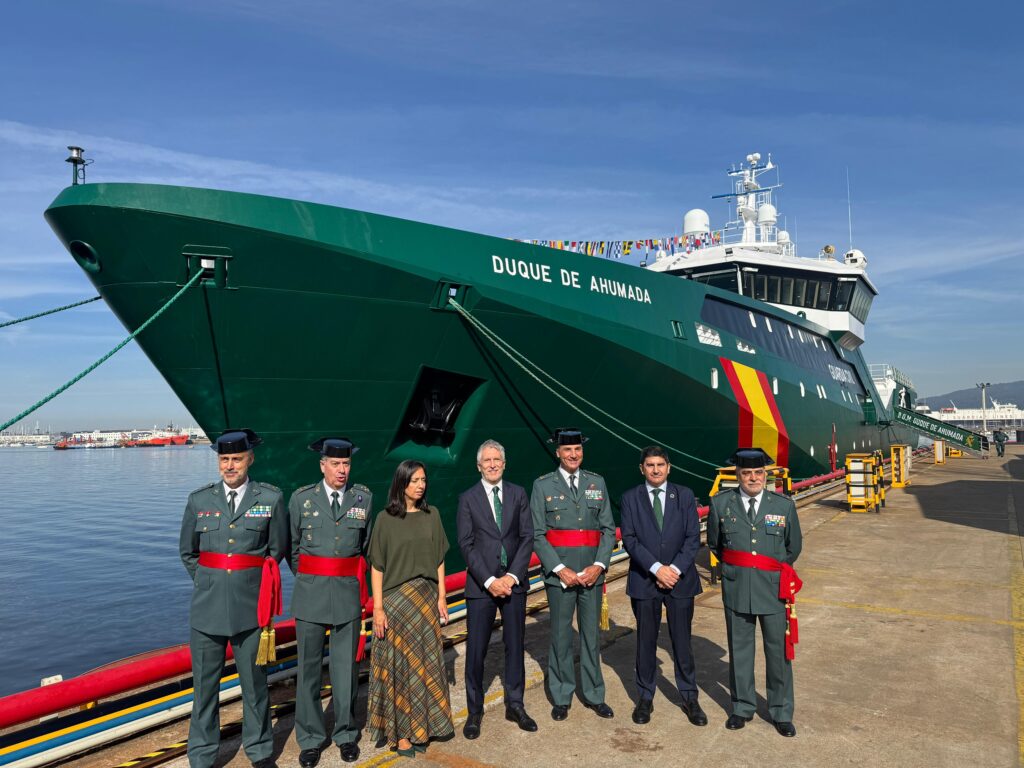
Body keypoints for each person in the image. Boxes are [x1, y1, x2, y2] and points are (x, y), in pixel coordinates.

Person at [179, 429, 288, 768]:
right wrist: (209, 582)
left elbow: (277, 549)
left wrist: (250, 585)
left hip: (250, 609)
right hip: (207, 611)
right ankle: (202, 756)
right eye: (224, 459)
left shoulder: (270, 499)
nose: (230, 465)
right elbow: (188, 552)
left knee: (255, 688)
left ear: (249, 459)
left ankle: (258, 751)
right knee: (204, 690)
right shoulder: (200, 500)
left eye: (236, 459)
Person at [707, 448, 803, 737]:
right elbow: (715, 544)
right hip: (737, 589)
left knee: (778, 654)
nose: (753, 478)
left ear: (766, 475)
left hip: (773, 591)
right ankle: (741, 706)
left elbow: (793, 547)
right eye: (746, 473)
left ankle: (781, 711)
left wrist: (769, 570)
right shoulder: (720, 504)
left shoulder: (783, 506)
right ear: (737, 475)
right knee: (740, 651)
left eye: (758, 473)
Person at [288, 438, 373, 766]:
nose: (342, 470)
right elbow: (292, 549)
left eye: (346, 464)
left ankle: (346, 733)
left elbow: (363, 548)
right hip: (310, 595)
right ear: (322, 465)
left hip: (348, 595)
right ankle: (309, 739)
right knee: (308, 670)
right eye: (336, 464)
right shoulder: (301, 499)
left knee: (346, 671)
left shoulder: (363, 498)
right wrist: (314, 576)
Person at [366, 460, 454, 756]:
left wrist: (442, 596)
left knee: (425, 667)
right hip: (396, 604)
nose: (420, 485)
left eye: (423, 480)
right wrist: (378, 608)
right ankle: (400, 734)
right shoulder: (384, 519)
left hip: (426, 600)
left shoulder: (433, 515)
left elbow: (440, 559)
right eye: (414, 480)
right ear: (401, 483)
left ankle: (425, 726)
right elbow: (376, 567)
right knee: (400, 670)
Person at [530, 428, 616, 721]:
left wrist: (599, 566)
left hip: (592, 575)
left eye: (577, 450)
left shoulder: (597, 482)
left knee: (591, 637)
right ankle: (562, 695)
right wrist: (560, 569)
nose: (573, 455)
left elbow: (607, 529)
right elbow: (538, 535)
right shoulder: (542, 486)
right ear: (558, 453)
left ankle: (594, 694)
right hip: (560, 576)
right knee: (561, 637)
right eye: (567, 450)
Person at [456, 439, 537, 740]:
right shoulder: (467, 498)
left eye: (497, 460)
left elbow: (527, 536)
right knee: (476, 651)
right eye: (486, 460)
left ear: (504, 463)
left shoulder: (518, 494)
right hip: (481, 585)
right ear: (478, 466)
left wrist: (513, 576)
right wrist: (490, 580)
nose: (492, 464)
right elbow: (466, 543)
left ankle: (515, 704)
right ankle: (474, 711)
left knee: (515, 646)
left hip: (514, 584)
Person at [620, 446, 706, 727]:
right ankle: (645, 697)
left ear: (669, 467)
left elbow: (693, 537)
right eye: (649, 465)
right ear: (641, 468)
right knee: (645, 641)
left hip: (680, 580)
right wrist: (657, 569)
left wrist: (674, 570)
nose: (655, 470)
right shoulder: (630, 498)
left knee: (682, 641)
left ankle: (689, 696)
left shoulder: (684, 495)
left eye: (660, 465)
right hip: (645, 579)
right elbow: (630, 539)